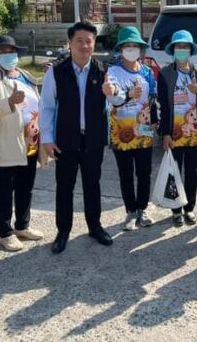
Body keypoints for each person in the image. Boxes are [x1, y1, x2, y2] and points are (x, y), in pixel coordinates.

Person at [40, 21, 120, 254]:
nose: (84, 46)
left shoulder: (104, 70)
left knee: (92, 185)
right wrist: (47, 138)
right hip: (65, 139)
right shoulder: (56, 72)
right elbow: (46, 107)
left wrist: (113, 92)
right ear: (70, 43)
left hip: (93, 139)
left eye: (89, 41)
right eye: (79, 41)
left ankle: (95, 227)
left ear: (94, 44)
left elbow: (118, 99)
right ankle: (63, 231)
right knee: (64, 186)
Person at [0, 35, 44, 252]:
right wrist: (9, 102)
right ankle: (5, 233)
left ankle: (22, 226)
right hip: (2, 145)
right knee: (2, 191)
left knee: (26, 187)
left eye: (11, 51)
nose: (8, 56)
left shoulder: (25, 75)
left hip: (29, 142)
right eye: (2, 52)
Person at [158, 30, 197, 226]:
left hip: (195, 132)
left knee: (192, 172)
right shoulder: (165, 74)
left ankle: (189, 208)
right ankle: (175, 210)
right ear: (173, 49)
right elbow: (163, 106)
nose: (182, 49)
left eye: (185, 46)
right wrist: (165, 133)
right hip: (174, 132)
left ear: (191, 50)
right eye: (178, 46)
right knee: (174, 171)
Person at [106, 26, 158, 231]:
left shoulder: (147, 71)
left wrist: (154, 121)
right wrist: (127, 95)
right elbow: (113, 99)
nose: (131, 49)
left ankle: (143, 209)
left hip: (144, 130)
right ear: (121, 49)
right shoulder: (113, 72)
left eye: (134, 46)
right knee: (125, 173)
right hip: (121, 132)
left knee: (144, 172)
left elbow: (152, 99)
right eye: (127, 46)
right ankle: (130, 211)